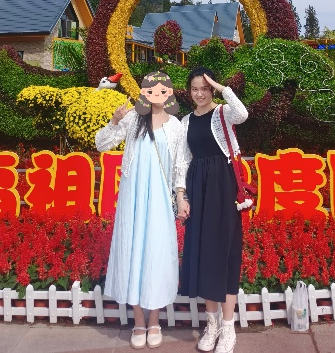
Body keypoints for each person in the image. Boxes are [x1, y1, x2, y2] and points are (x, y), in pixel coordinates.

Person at [95, 71, 184, 350]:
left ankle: (154, 320)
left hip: (160, 199)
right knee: (133, 252)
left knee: (156, 253)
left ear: (170, 93)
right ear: (144, 92)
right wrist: (114, 121)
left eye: (162, 90)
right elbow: (102, 144)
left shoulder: (176, 126)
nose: (157, 94)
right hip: (132, 199)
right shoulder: (134, 118)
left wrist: (181, 197)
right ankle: (139, 321)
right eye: (151, 89)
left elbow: (181, 165)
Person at [176, 67, 248, 353]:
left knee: (225, 252)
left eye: (204, 88)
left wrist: (222, 88)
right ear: (189, 91)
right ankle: (212, 324)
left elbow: (242, 114)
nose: (200, 93)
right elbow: (182, 160)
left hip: (223, 186)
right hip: (198, 188)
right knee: (204, 253)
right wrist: (182, 196)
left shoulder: (223, 113)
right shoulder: (186, 121)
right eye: (195, 89)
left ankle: (228, 328)